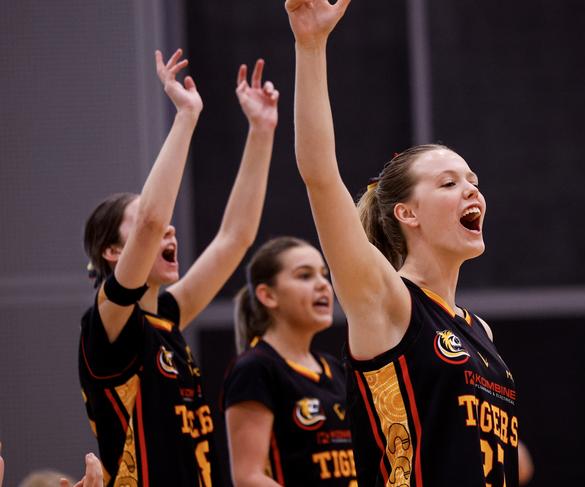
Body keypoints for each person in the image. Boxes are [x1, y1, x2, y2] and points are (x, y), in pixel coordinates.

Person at [284, 1, 519, 485]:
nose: (471, 189)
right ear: (406, 213)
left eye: (472, 180)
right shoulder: (388, 300)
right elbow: (320, 176)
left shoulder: (481, 332)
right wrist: (310, 47)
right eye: (449, 183)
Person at [79, 48, 279, 487]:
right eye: (152, 227)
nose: (169, 230)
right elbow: (151, 221)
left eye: (172, 227)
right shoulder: (109, 324)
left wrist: (262, 132)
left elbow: (235, 238)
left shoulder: (165, 316)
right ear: (114, 252)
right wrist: (186, 115)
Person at [222, 237, 357, 486]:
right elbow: (247, 477)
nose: (323, 285)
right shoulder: (255, 368)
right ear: (268, 295)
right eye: (305, 276)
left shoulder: (334, 368)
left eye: (323, 274)